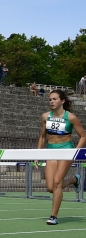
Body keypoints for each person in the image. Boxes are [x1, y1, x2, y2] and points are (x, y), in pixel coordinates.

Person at [37, 90, 86, 225]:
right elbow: (42, 136)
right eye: (50, 99)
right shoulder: (45, 116)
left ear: (62, 101)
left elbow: (83, 136)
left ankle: (53, 216)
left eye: (54, 99)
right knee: (50, 188)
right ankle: (74, 180)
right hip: (51, 151)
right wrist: (37, 155)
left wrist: (75, 152)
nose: (51, 101)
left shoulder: (71, 117)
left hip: (66, 151)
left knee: (58, 181)